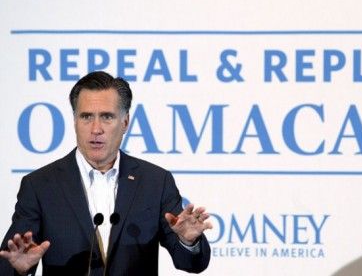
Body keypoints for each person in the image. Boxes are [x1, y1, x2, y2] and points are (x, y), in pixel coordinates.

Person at [0, 71, 212, 275]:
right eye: (86, 117)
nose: (96, 129)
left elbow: (192, 263)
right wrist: (18, 268)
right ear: (74, 121)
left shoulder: (155, 182)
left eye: (107, 117)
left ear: (125, 122)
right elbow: (10, 259)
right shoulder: (40, 186)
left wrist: (188, 241)